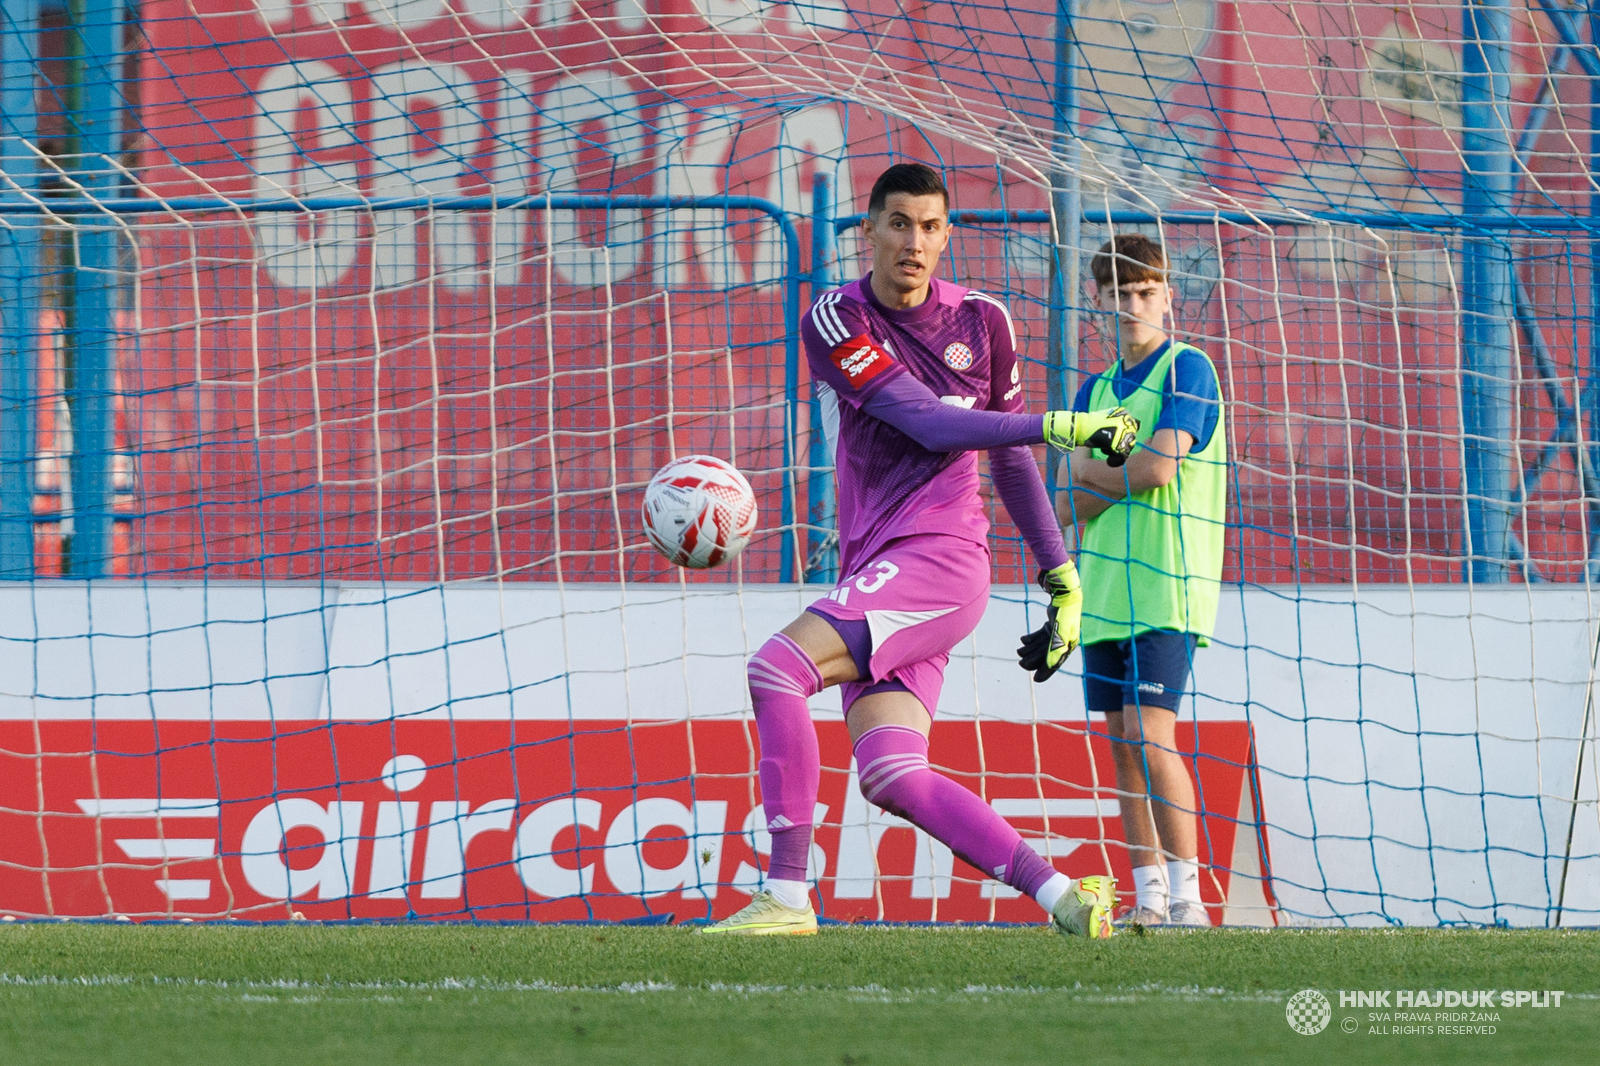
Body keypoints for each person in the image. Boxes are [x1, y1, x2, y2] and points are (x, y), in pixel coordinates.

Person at [703, 162, 1140, 938]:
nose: (915, 241)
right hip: (879, 565)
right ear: (867, 230)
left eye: (931, 227)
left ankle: (787, 896)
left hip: (940, 559)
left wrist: (1062, 582)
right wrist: (1065, 424)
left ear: (947, 236)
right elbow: (929, 422)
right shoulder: (835, 318)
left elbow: (1007, 462)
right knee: (891, 775)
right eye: (899, 223)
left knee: (777, 667)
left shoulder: (984, 322)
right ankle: (1068, 900)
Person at [1055, 234, 1227, 928]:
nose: (1131, 305)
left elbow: (1158, 469)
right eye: (1118, 294)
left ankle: (1191, 897)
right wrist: (1097, 479)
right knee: (1123, 744)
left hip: (1168, 587)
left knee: (1153, 739)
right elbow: (1070, 500)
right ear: (1097, 301)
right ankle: (1150, 896)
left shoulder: (1189, 370)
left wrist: (1095, 474)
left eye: (1144, 292)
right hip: (1104, 593)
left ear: (1167, 298)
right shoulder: (1093, 391)